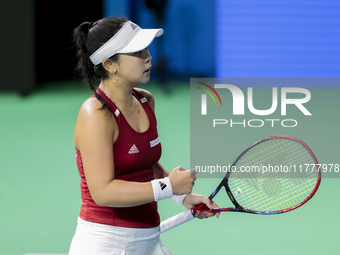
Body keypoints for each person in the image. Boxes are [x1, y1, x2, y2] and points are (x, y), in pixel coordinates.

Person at [69, 17, 219, 255]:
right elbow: (103, 192)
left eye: (146, 49)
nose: (148, 57)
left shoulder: (144, 100)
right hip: (106, 243)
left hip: (148, 241)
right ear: (110, 64)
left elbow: (146, 166)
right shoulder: (95, 114)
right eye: (137, 52)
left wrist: (183, 197)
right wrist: (169, 186)